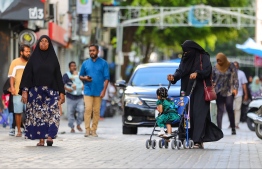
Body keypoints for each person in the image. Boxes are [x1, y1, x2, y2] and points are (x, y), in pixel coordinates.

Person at [167, 40, 223, 149]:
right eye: (184, 52)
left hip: (200, 90)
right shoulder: (185, 58)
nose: (185, 54)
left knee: (199, 114)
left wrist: (197, 73)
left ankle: (198, 140)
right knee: (186, 113)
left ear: (193, 50)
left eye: (187, 51)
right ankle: (186, 137)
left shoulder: (203, 57)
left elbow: (208, 70)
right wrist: (173, 77)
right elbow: (180, 70)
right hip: (186, 89)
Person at [19, 35, 65, 146]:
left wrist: (62, 93)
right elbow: (27, 76)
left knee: (53, 113)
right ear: (38, 43)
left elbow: (58, 76)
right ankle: (41, 139)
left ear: (49, 44)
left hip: (51, 92)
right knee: (38, 115)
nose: (44, 43)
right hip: (36, 93)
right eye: (42, 41)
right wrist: (24, 91)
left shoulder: (53, 59)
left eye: (46, 41)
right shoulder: (33, 59)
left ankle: (49, 136)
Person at [79, 44, 110, 137]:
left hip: (99, 91)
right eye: (90, 51)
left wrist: (104, 91)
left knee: (96, 111)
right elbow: (80, 75)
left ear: (98, 51)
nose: (91, 52)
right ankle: (87, 130)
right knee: (88, 109)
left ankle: (94, 130)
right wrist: (85, 78)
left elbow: (107, 78)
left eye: (93, 50)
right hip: (88, 90)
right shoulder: (85, 63)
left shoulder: (104, 63)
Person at [212, 53, 238, 135]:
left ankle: (233, 127)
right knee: (220, 110)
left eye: (220, 60)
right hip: (218, 91)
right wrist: (212, 85)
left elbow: (235, 78)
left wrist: (235, 88)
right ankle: (219, 129)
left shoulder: (231, 66)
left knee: (230, 109)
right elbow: (212, 78)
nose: (219, 62)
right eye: (217, 60)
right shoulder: (215, 68)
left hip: (229, 91)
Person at [8, 44, 30, 137]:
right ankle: (18, 131)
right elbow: (11, 76)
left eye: (29, 51)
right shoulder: (15, 62)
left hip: (29, 92)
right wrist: (12, 88)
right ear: (21, 52)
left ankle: (28, 129)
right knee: (18, 112)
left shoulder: (31, 63)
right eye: (26, 51)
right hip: (17, 92)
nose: (28, 53)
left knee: (29, 112)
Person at [63, 61, 84, 133]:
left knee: (81, 111)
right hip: (70, 97)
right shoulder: (66, 75)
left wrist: (83, 86)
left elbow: (84, 82)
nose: (74, 67)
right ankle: (72, 127)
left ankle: (78, 124)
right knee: (70, 113)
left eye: (75, 66)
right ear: (69, 67)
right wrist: (67, 88)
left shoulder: (80, 74)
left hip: (79, 97)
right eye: (72, 66)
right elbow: (63, 84)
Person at [233, 62, 248, 129]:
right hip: (230, 93)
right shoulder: (229, 73)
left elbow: (244, 85)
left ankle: (236, 123)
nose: (235, 67)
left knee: (237, 109)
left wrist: (246, 94)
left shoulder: (242, 73)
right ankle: (231, 122)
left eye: (236, 65)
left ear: (238, 66)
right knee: (230, 109)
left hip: (239, 93)